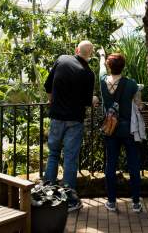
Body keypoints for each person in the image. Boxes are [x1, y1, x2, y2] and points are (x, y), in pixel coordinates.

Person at [44, 40, 99, 211]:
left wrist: (51, 99)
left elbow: (48, 85)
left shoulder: (62, 59)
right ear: (90, 55)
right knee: (70, 159)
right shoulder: (89, 74)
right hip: (74, 120)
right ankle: (68, 200)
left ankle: (47, 193)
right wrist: (94, 100)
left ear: (76, 50)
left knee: (53, 154)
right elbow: (85, 101)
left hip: (56, 117)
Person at [98, 48, 144, 213]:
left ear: (109, 66)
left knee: (110, 164)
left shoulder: (103, 81)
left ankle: (111, 202)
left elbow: (101, 69)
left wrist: (102, 55)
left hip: (111, 129)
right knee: (133, 165)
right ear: (123, 66)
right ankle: (136, 203)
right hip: (128, 129)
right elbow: (139, 105)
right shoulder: (131, 84)